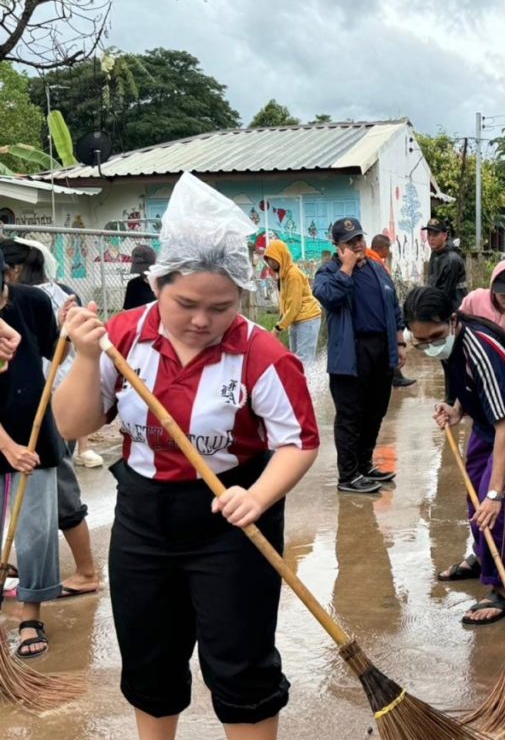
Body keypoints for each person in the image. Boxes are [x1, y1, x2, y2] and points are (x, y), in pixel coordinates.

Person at [54, 172, 319, 740]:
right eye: (187, 303)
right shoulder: (121, 338)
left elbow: (297, 442)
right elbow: (73, 425)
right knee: (150, 654)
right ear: (157, 284)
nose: (202, 320)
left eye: (221, 307)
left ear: (242, 297)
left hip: (233, 515)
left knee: (241, 661)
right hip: (143, 516)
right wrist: (81, 355)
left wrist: (259, 496)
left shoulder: (262, 353)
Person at [405, 286, 505, 625]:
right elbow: (465, 382)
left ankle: (501, 587)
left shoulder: (480, 348)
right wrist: (456, 409)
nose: (429, 347)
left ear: (453, 321)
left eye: (435, 337)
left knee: (495, 504)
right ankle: (484, 557)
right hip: (487, 417)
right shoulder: (447, 343)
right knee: (475, 497)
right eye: (420, 341)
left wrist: (498, 494)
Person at [2, 238, 100, 597]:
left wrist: (66, 335)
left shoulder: (31, 300)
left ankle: (52, 593)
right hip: (15, 429)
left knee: (49, 510)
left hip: (42, 420)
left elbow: (56, 353)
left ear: (9, 274)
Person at [0, 246, 63, 659]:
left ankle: (30, 614)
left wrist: (74, 336)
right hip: (7, 439)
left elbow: (55, 353)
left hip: (32, 431)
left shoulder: (32, 301)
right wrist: (6, 446)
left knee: (37, 529)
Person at [313, 218, 406, 494]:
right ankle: (348, 475)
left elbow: (392, 303)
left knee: (375, 412)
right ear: (338, 247)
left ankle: (365, 465)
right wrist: (347, 268)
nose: (357, 246)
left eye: (359, 240)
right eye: (350, 243)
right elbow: (328, 296)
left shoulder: (378, 269)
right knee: (351, 417)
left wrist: (399, 341)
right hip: (351, 355)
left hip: (381, 351)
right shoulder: (328, 273)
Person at [262, 239, 323, 371]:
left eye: (273, 260)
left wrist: (278, 328)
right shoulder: (283, 275)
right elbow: (287, 304)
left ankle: (307, 390)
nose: (270, 264)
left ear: (281, 256)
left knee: (304, 362)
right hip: (295, 319)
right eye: (268, 261)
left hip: (307, 318)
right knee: (295, 360)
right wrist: (282, 322)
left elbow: (294, 306)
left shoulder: (293, 275)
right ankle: (298, 389)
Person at [368, 234, 416, 388]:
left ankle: (395, 376)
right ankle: (395, 377)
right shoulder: (374, 264)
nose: (389, 251)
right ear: (382, 248)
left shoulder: (374, 261)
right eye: (388, 247)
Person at [423, 218, 468, 309]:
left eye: (435, 234)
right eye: (429, 234)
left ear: (444, 236)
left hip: (453, 312)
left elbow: (445, 294)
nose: (431, 238)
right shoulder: (435, 254)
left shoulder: (452, 259)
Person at [123, 244, 157, 310]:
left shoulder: (164, 283)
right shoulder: (133, 285)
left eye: (145, 269)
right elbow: (127, 311)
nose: (142, 273)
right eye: (140, 269)